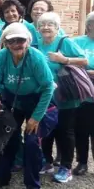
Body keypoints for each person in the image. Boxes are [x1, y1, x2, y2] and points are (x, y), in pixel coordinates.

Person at [0, 22, 54, 189]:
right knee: (7, 138)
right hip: (13, 100)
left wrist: (36, 117)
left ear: (28, 41)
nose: (17, 44)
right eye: (12, 41)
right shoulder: (2, 56)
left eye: (21, 40)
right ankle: (1, 177)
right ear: (6, 43)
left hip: (36, 100)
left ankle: (32, 184)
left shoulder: (35, 57)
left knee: (31, 142)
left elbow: (48, 87)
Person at [36, 12, 87, 183]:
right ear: (38, 28)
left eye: (50, 24)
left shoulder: (65, 42)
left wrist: (63, 59)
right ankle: (47, 162)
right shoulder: (37, 44)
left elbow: (84, 61)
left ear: (57, 27)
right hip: (45, 96)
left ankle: (66, 167)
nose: (46, 27)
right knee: (46, 130)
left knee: (66, 131)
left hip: (66, 96)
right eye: (42, 24)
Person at [73, 11, 94, 176]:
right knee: (81, 130)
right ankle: (81, 162)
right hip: (81, 95)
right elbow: (69, 63)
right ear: (88, 26)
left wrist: (87, 71)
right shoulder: (77, 42)